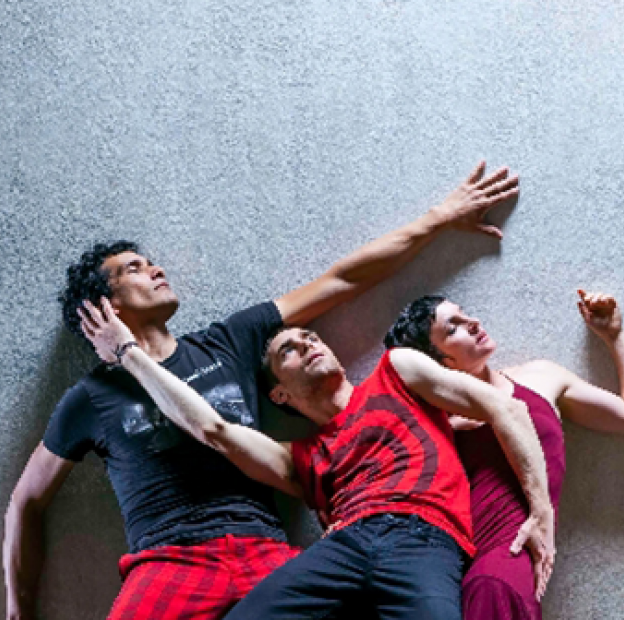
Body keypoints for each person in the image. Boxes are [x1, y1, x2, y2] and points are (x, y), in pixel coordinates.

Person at [2, 162, 519, 620]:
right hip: (169, 560)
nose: (156, 269)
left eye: (149, 261)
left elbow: (343, 280)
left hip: (264, 549)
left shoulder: (229, 340)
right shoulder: (91, 397)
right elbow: (26, 500)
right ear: (103, 308)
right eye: (132, 269)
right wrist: (16, 606)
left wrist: (440, 218)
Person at [73, 295, 553, 620]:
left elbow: (505, 408)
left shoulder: (396, 371)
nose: (307, 343)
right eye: (289, 349)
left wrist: (541, 512)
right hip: (343, 545)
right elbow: (212, 429)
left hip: (425, 540)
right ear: (279, 394)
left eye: (312, 338)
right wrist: (130, 354)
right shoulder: (298, 457)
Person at [386, 289, 624, 618]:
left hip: (515, 559)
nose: (472, 322)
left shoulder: (540, 377)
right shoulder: (436, 423)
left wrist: (614, 336)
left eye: (464, 313)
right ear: (437, 363)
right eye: (452, 327)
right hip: (470, 571)